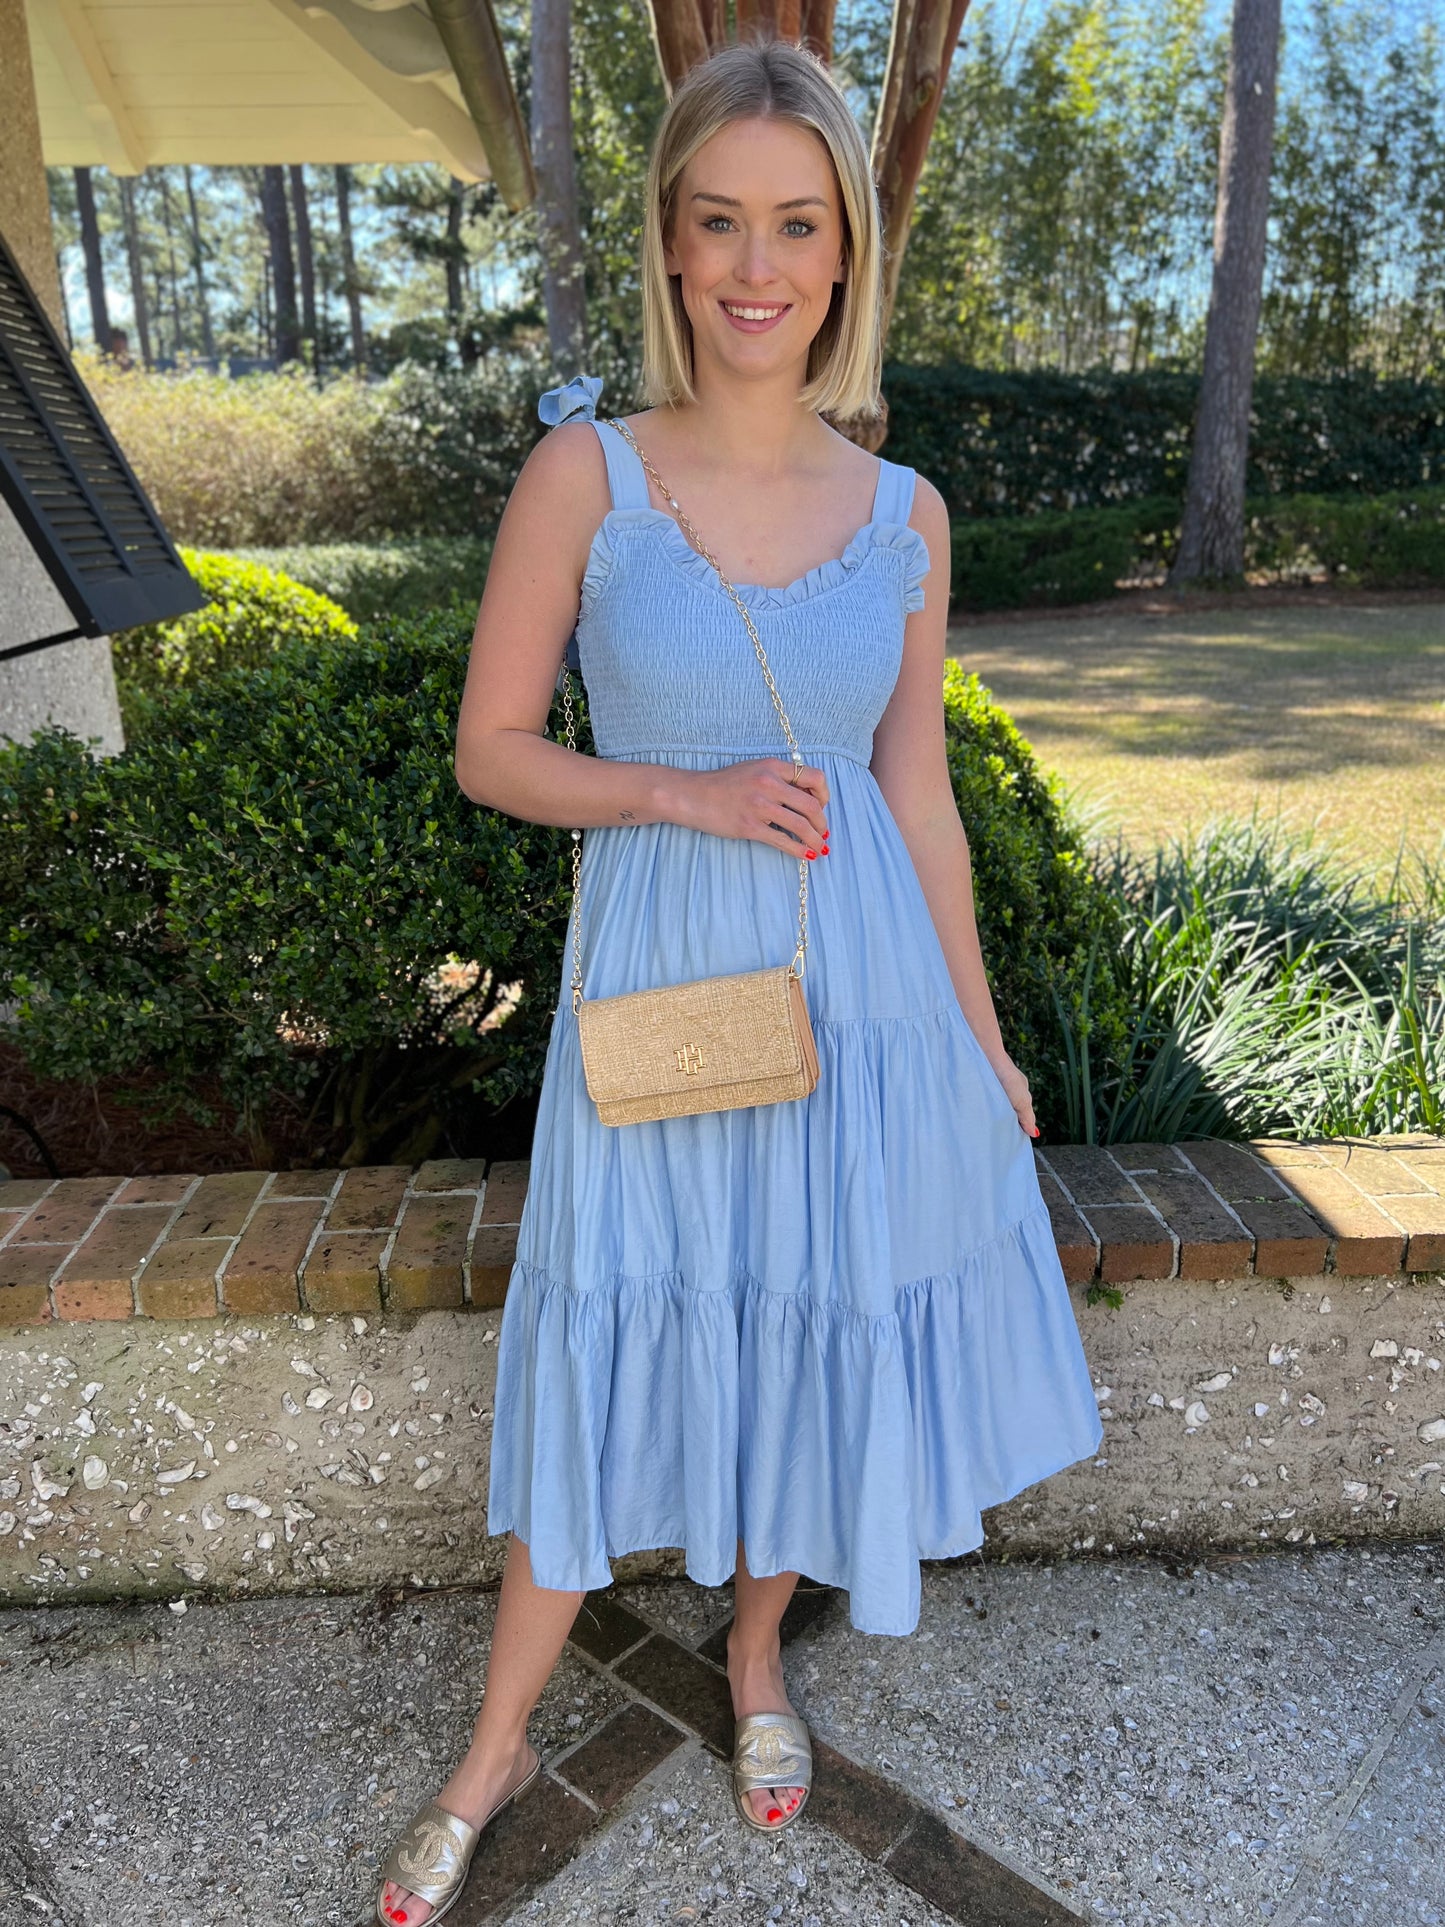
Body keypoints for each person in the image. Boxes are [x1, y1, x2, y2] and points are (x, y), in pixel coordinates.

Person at [376, 34, 1103, 1927]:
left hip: (851, 992)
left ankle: (757, 1655)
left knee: (802, 1313)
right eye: (720, 225)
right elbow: (491, 749)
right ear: (673, 246)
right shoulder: (586, 474)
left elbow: (917, 800)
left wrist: (977, 1032)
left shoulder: (907, 514)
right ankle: (493, 1746)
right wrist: (676, 789)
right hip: (664, 989)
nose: (757, 267)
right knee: (609, 1330)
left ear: (846, 249)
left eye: (797, 224)